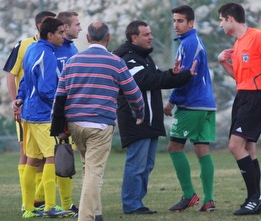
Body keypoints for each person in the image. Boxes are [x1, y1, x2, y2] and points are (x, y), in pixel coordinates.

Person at [50, 21, 145, 221]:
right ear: (108, 38)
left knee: (88, 167)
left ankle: (97, 213)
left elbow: (60, 98)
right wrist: (140, 113)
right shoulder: (115, 62)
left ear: (87, 38)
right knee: (95, 173)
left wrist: (57, 127)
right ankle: (86, 217)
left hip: (75, 124)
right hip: (100, 125)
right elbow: (133, 93)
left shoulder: (72, 61)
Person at [113, 20, 197, 215]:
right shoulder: (128, 59)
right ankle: (131, 205)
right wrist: (181, 76)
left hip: (149, 121)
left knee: (147, 165)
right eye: (146, 34)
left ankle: (137, 202)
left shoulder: (145, 58)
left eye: (150, 33)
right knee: (136, 164)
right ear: (134, 38)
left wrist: (178, 74)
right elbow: (148, 80)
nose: (151, 37)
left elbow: (159, 76)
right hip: (137, 120)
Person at [217, 2, 261, 215]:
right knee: (248, 149)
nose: (220, 25)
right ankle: (255, 200)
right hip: (242, 96)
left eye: (221, 20)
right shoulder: (237, 44)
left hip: (257, 97)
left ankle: (255, 199)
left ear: (230, 19)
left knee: (235, 146)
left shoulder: (258, 36)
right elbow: (239, 78)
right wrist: (223, 63)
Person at [12, 17, 74, 218]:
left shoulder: (31, 48)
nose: (63, 37)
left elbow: (24, 81)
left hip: (29, 114)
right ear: (50, 35)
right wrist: (60, 109)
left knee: (31, 160)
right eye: (60, 33)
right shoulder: (47, 53)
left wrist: (20, 99)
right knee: (52, 158)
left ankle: (28, 209)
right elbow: (46, 90)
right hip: (43, 115)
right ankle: (50, 206)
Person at [164, 5, 217, 212]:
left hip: (192, 104)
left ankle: (189, 195)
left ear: (191, 23)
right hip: (207, 104)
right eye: (174, 21)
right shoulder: (194, 42)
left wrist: (171, 102)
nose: (176, 25)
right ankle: (209, 200)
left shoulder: (189, 43)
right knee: (202, 149)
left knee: (174, 147)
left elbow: (184, 77)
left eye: (180, 21)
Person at [3, 11, 56, 212]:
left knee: (41, 156)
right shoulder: (25, 45)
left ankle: (36, 201)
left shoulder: (57, 47)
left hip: (36, 109)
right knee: (29, 154)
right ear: (41, 27)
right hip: (33, 110)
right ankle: (33, 201)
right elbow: (12, 75)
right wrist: (15, 102)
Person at [53, 10, 82, 215]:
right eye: (77, 24)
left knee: (64, 157)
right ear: (64, 27)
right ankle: (46, 204)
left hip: (70, 111)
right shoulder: (54, 50)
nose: (80, 27)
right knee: (53, 158)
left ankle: (65, 203)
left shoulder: (72, 48)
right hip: (55, 112)